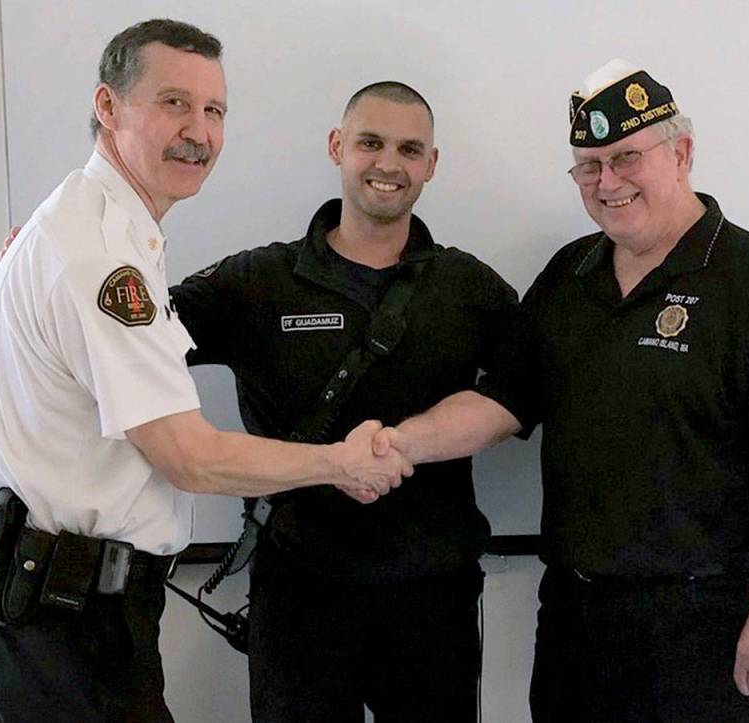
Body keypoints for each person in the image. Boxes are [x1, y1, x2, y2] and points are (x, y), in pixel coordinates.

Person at [372, 60, 749, 722]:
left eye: (626, 158)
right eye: (588, 166)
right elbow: (499, 405)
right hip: (577, 621)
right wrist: (395, 442)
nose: (608, 182)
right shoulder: (571, 274)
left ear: (681, 153)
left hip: (709, 623)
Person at [0, 21, 410, 722]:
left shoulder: (94, 228)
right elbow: (188, 457)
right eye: (173, 103)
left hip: (66, 601)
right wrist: (339, 462)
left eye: (215, 111)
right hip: (71, 615)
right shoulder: (100, 255)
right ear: (108, 109)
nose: (198, 132)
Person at [171, 82, 518, 721]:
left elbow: (525, 391)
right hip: (297, 596)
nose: (389, 164)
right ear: (337, 147)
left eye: (410, 149)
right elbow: (131, 336)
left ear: (431, 165)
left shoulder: (468, 288)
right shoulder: (257, 282)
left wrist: (405, 442)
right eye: (370, 143)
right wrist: (69, 263)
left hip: (431, 599)